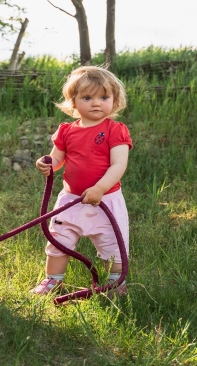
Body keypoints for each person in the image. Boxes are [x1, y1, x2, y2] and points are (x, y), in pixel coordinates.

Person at [32, 66, 132, 295]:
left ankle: (116, 282)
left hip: (106, 201)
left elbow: (119, 165)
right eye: (87, 97)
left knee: (113, 245)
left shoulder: (115, 130)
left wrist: (100, 188)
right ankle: (53, 280)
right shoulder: (67, 131)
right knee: (59, 240)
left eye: (104, 97)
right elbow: (57, 158)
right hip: (71, 200)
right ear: (73, 103)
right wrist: (47, 164)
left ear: (114, 101)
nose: (96, 103)